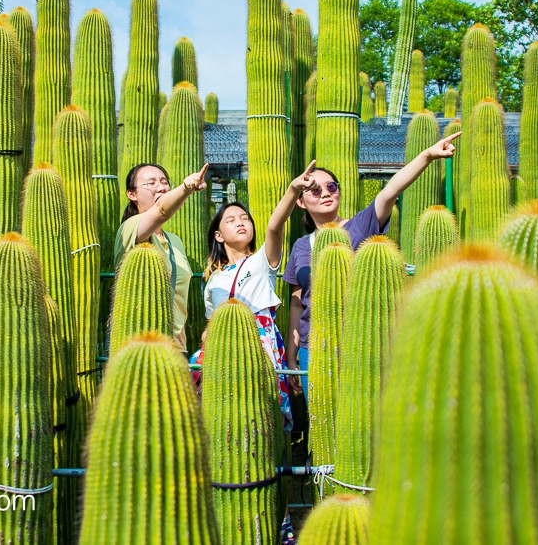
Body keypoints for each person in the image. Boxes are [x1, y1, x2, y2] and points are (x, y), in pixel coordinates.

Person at [283, 132, 461, 397]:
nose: (325, 193)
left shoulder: (361, 226)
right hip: (315, 348)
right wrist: (292, 354)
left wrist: (427, 155)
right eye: (315, 190)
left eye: (332, 186)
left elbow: (391, 190)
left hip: (361, 343)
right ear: (300, 201)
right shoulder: (300, 246)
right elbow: (298, 303)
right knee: (321, 425)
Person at [190, 161, 320, 433]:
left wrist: (293, 189)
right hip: (222, 346)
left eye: (245, 218)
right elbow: (211, 321)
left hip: (259, 345)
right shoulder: (214, 278)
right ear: (218, 235)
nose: (240, 223)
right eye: (231, 220)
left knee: (259, 414)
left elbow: (274, 227)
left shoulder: (262, 261)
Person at [114, 162, 209, 353]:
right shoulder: (129, 229)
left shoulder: (175, 241)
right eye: (151, 183)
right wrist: (186, 188)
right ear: (131, 194)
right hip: (139, 347)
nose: (160, 187)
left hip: (175, 348)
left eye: (164, 181)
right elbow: (161, 211)